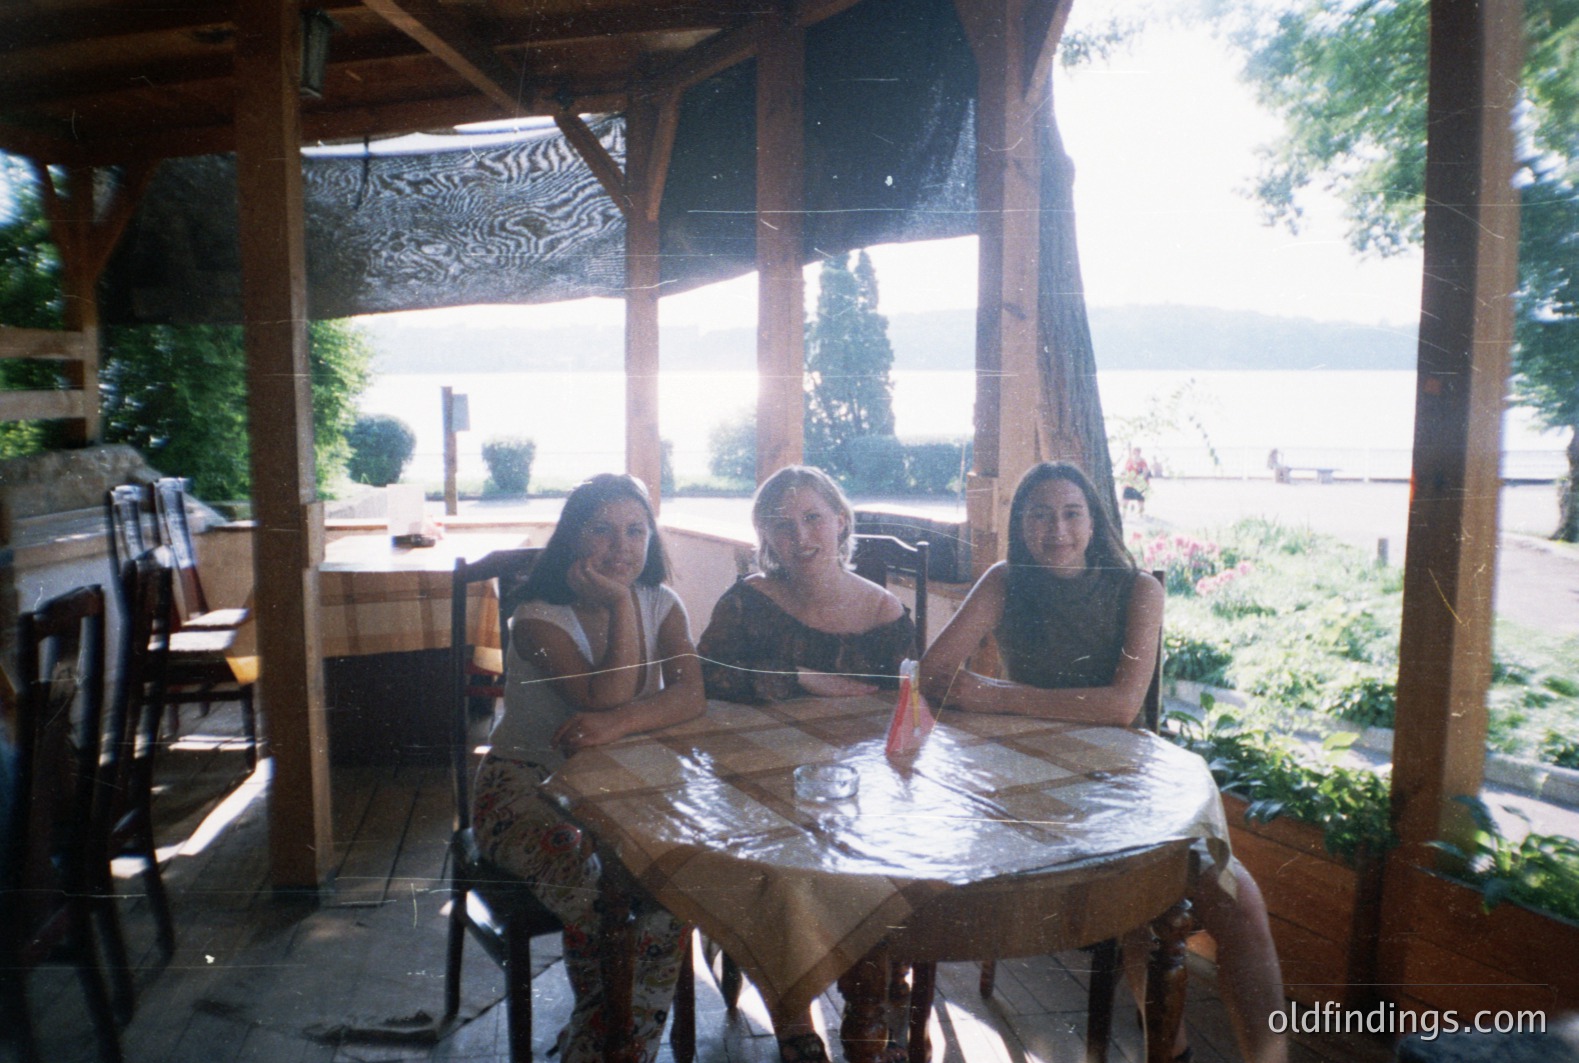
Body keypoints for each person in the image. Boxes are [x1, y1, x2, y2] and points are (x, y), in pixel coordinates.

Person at [918, 461, 1288, 1063]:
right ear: (1020, 525)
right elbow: (934, 671)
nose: (1055, 529)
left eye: (1071, 513)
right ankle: (1174, 1050)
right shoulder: (1005, 581)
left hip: (1125, 781)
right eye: (1039, 514)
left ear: (1095, 521)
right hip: (1029, 781)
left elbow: (1121, 707)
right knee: (1140, 903)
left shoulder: (1140, 589)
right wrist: (1014, 704)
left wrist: (997, 696)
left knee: (1239, 905)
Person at [473, 473, 705, 1063]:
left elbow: (690, 694)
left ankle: (607, 1047)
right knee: (596, 883)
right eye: (600, 530)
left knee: (671, 889)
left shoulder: (665, 602)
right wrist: (621, 602)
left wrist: (621, 725)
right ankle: (607, 1050)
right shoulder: (537, 615)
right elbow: (604, 696)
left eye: (635, 530)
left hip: (622, 788)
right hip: (523, 787)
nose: (620, 547)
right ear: (571, 538)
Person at [697, 464, 914, 1062]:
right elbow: (704, 675)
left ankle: (882, 980)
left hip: (857, 782)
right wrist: (800, 678)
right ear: (766, 536)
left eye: (813, 517)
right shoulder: (747, 602)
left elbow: (905, 700)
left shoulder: (886, 614)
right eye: (782, 525)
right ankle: (792, 1017)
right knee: (775, 870)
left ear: (841, 521)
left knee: (881, 853)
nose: (801, 537)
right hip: (759, 773)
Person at [1122, 445, 1153, 518]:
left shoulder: (1142, 461)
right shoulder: (1129, 460)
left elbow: (1145, 472)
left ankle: (1141, 515)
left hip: (1140, 483)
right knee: (1125, 499)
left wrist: (1140, 479)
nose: (1135, 453)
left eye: (1137, 451)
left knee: (1140, 500)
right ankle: (1124, 514)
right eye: (1134, 451)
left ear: (1139, 452)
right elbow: (1126, 470)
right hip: (1130, 482)